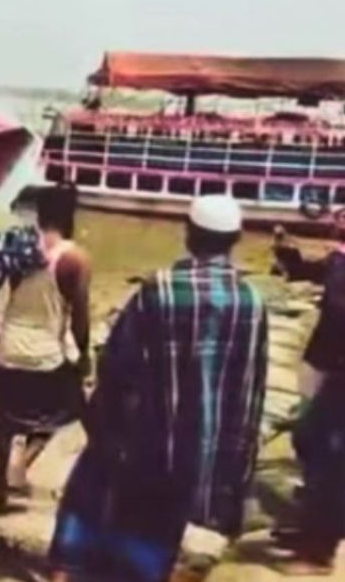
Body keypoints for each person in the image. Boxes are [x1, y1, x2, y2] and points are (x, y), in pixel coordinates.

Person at [49, 195, 268, 582]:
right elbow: (251, 387)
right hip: (203, 452)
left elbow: (117, 364)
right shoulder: (252, 301)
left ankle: (76, 568)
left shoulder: (160, 290)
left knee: (111, 509)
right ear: (236, 239)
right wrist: (236, 469)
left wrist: (100, 423)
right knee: (161, 532)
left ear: (189, 234)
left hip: (148, 441)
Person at [0, 185, 89, 511]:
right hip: (46, 357)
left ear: (39, 215)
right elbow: (80, 318)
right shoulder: (75, 259)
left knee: (2, 425)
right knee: (65, 412)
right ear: (69, 216)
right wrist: (84, 355)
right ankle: (22, 463)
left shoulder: (17, 247)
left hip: (7, 350)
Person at [270, 213, 345, 574]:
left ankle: (320, 551)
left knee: (334, 458)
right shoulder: (338, 263)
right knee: (309, 439)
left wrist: (338, 262)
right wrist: (287, 252)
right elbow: (309, 273)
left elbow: (338, 305)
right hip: (332, 369)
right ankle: (309, 526)